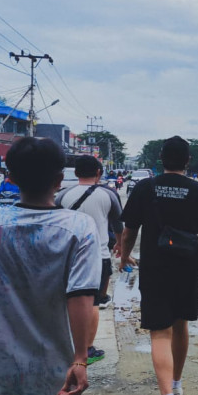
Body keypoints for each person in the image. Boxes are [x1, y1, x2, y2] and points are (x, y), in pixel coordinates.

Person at [0, 137, 101, 395]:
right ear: (59, 179)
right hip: (59, 371)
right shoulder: (78, 227)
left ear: (10, 178)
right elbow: (81, 296)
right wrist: (80, 358)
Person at [120, 136, 198, 395]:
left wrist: (125, 257)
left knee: (159, 332)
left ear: (161, 159)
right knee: (181, 325)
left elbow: (129, 230)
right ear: (188, 160)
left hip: (155, 268)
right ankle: (176, 383)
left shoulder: (145, 187)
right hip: (189, 269)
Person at [56, 155, 128, 365]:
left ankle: (68, 347)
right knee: (93, 302)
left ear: (76, 173)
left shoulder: (63, 195)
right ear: (99, 172)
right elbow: (118, 225)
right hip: (98, 255)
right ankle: (87, 349)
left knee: (67, 299)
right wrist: (121, 245)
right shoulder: (109, 194)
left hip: (67, 256)